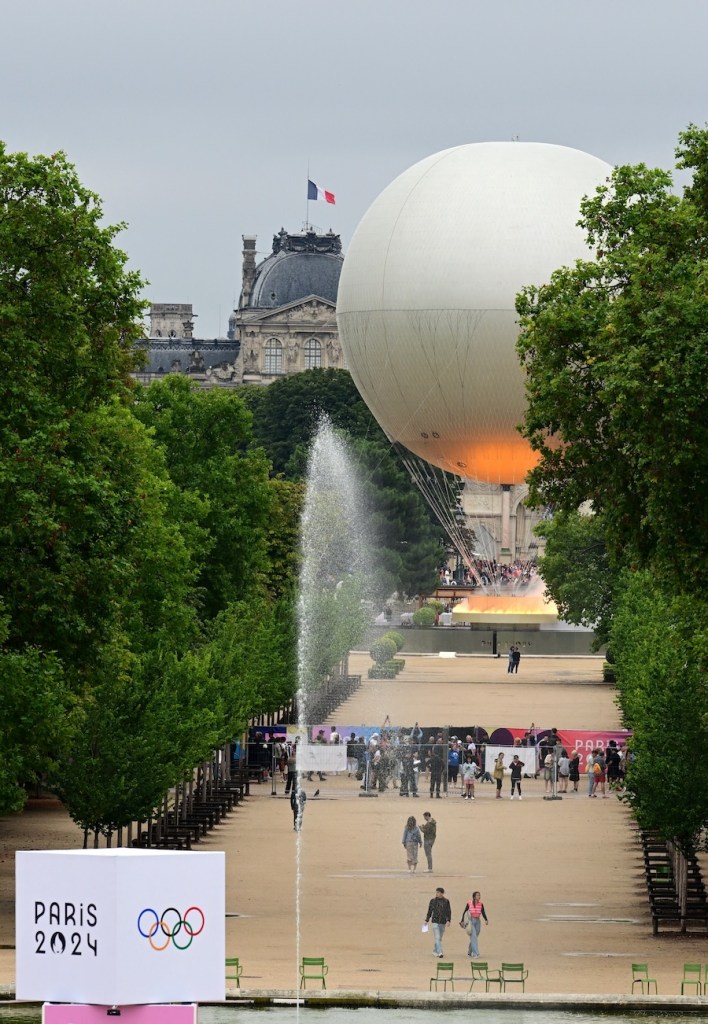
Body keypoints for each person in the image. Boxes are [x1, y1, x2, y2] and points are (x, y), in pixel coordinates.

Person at [459, 890, 488, 958]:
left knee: (474, 937)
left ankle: (469, 952)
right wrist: (462, 921)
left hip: (478, 921)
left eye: (479, 895)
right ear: (474, 897)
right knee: (474, 937)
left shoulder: (481, 904)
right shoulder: (469, 903)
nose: (479, 896)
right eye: (477, 895)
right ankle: (476, 953)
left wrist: (486, 919)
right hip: (471, 921)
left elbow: (483, 912)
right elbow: (464, 912)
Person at [424, 886, 451, 958]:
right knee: (437, 937)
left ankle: (434, 951)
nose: (437, 894)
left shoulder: (446, 901)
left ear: (442, 893)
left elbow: (448, 911)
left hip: (443, 922)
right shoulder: (433, 901)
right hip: (435, 921)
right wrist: (427, 920)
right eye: (436, 892)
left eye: (438, 892)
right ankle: (440, 952)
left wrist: (448, 920)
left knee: (439, 938)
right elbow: (429, 911)